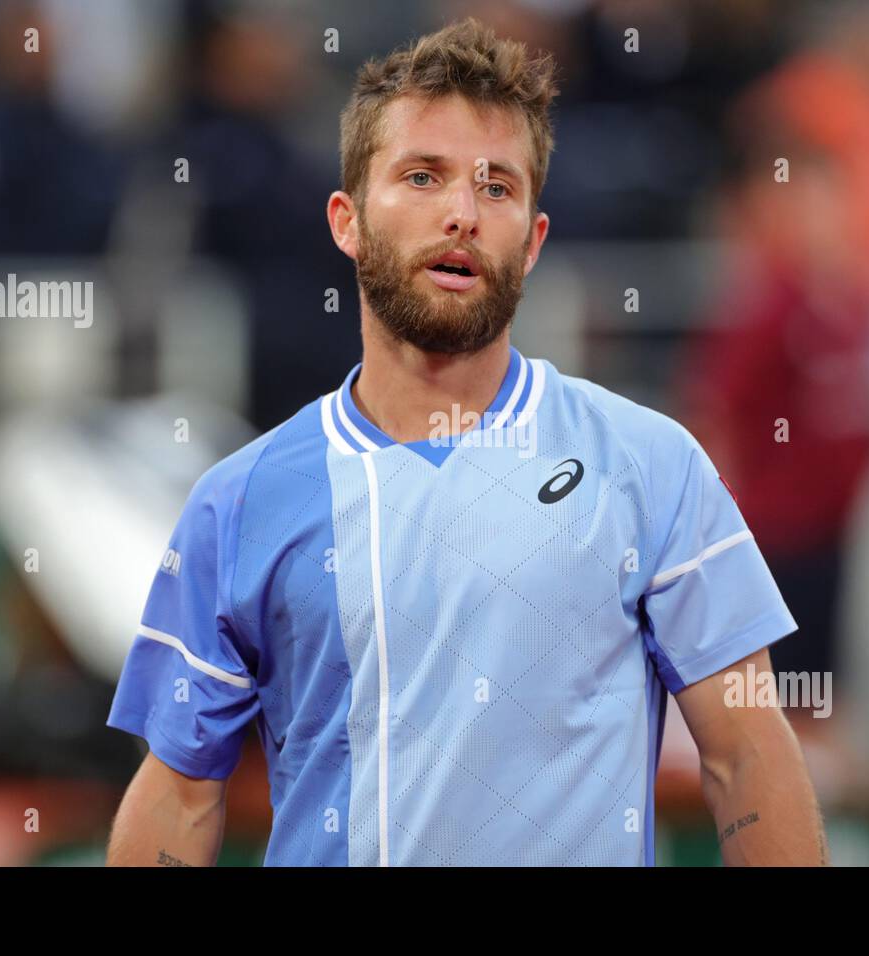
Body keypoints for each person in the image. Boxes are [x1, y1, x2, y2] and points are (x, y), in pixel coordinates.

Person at [104, 18, 825, 867]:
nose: (461, 214)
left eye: (497, 188)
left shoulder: (651, 468)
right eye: (422, 176)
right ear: (347, 220)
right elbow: (180, 795)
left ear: (535, 237)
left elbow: (747, 756)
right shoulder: (240, 499)